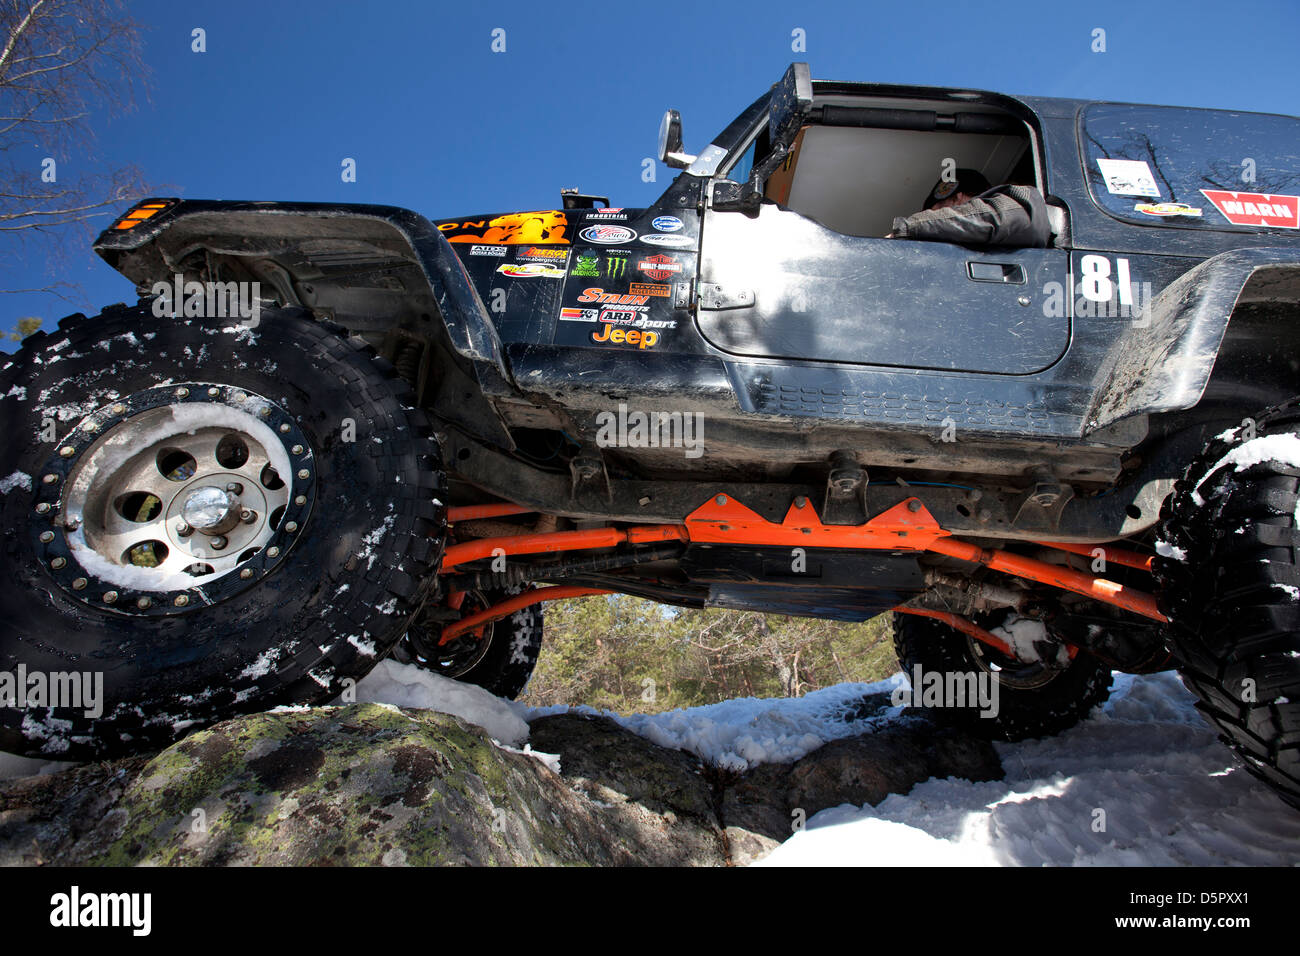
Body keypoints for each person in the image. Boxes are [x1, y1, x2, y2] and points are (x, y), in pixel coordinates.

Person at [886, 168, 1051, 247]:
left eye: (937, 212)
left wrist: (909, 228)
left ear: (958, 198)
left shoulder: (1019, 203)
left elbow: (1003, 216)